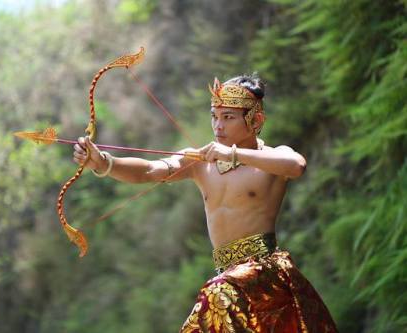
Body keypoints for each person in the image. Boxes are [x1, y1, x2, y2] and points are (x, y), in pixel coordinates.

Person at [73, 74, 338, 332]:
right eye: (214, 116)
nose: (218, 126)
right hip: (227, 276)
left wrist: (233, 154)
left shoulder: (272, 158)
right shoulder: (200, 162)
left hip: (262, 272)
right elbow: (149, 171)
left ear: (255, 120)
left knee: (217, 294)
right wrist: (104, 163)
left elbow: (297, 166)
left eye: (228, 117)